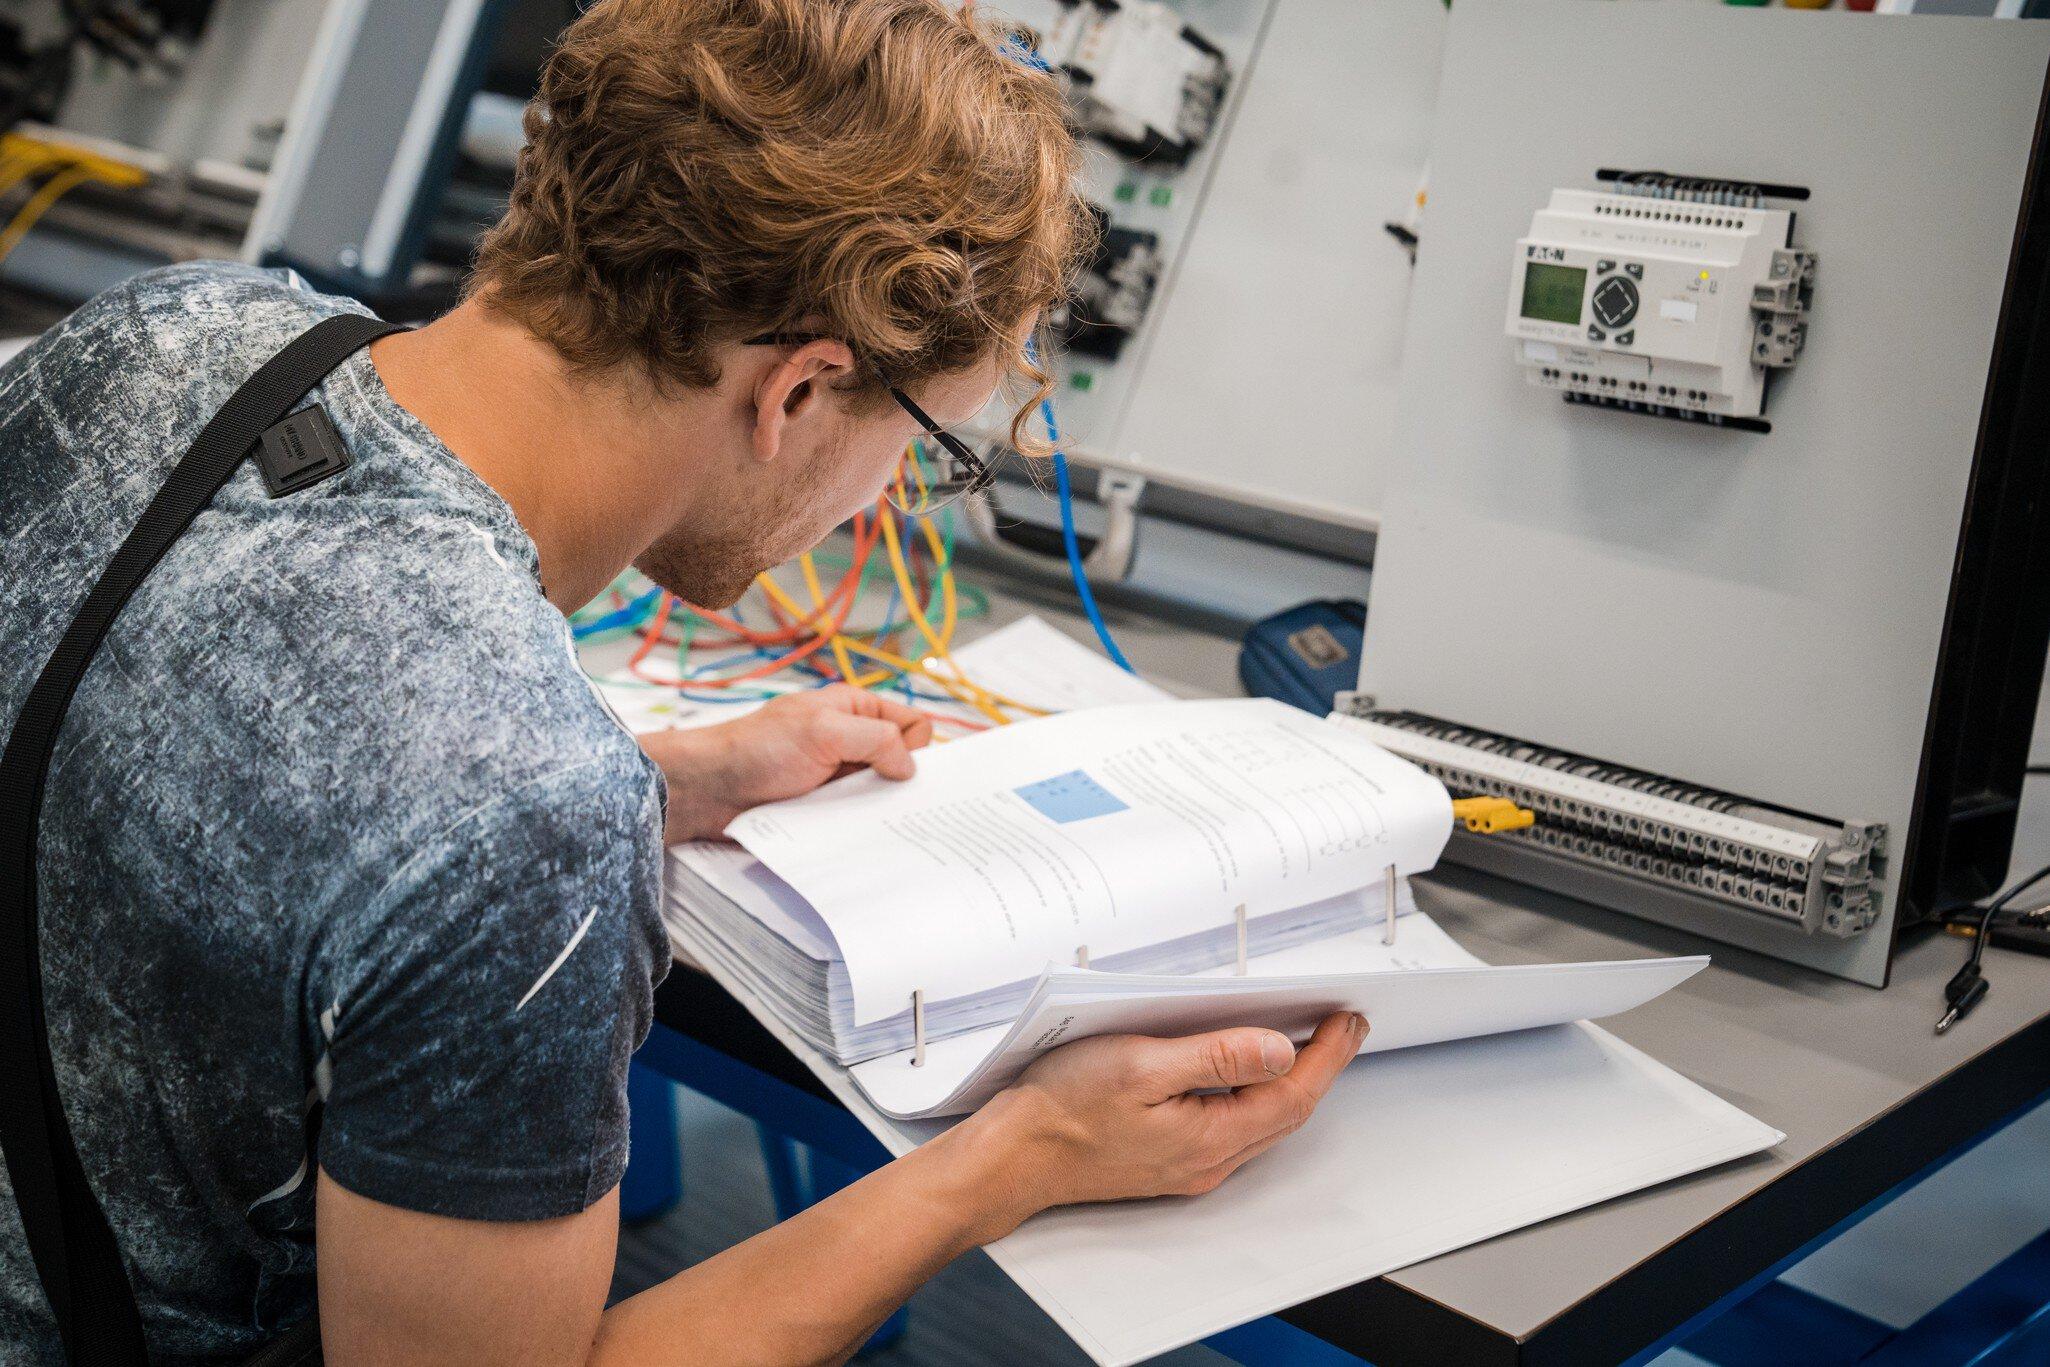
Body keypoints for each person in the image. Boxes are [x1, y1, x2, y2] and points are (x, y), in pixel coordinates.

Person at [0, 1, 1361, 1362]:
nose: (888, 493)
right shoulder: (524, 813)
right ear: (799, 393)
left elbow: (230, 762)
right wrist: (1023, 1154)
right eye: (923, 445)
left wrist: (681, 780)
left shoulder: (172, 335)